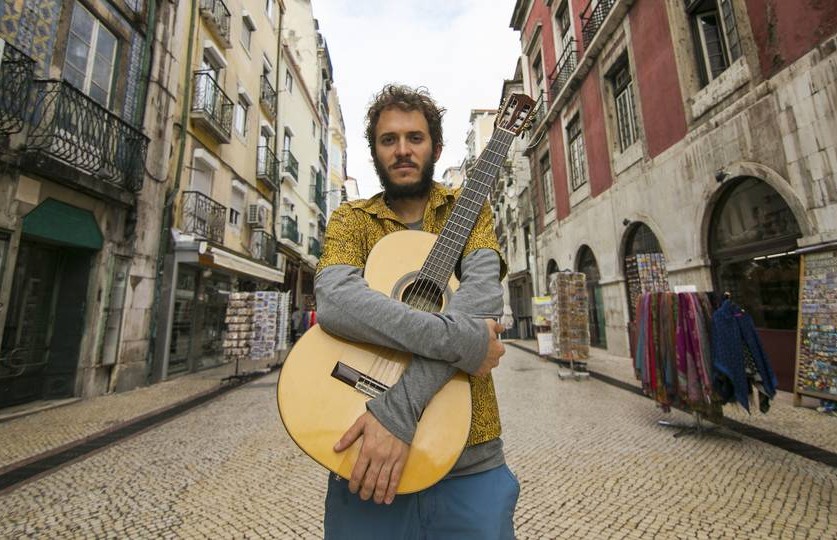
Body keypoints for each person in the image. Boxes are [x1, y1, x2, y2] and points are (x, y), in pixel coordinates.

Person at [314, 84, 518, 539]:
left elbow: (482, 302)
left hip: (469, 455)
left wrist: (397, 411)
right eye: (389, 140)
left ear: (436, 147)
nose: (402, 150)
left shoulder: (469, 209)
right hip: (365, 456)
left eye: (415, 138)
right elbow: (334, 299)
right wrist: (464, 341)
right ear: (375, 152)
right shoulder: (352, 219)